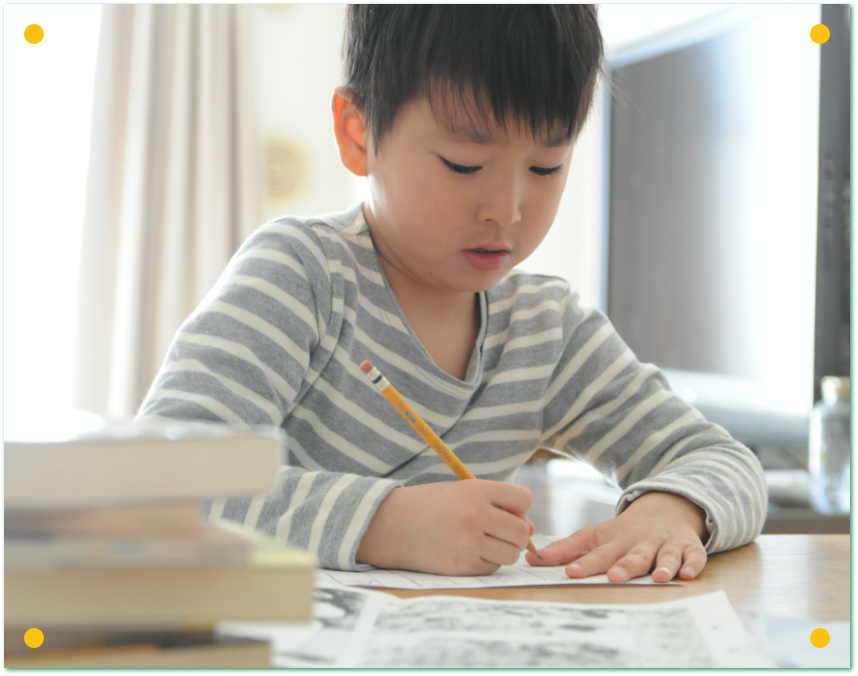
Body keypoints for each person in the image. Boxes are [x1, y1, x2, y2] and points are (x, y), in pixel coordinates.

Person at [137, 5, 767, 581]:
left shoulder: (546, 333)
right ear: (358, 134)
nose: (506, 209)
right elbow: (155, 484)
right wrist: (388, 525)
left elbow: (720, 459)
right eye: (464, 164)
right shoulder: (301, 276)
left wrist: (670, 510)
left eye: (546, 166)